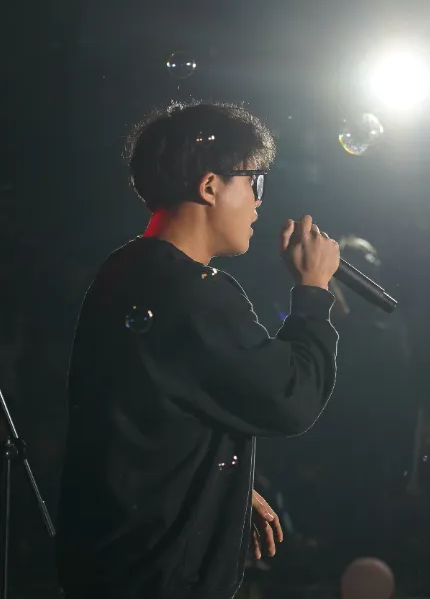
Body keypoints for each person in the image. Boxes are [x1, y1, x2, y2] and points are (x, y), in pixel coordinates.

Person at [56, 102, 340, 599]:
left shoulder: (123, 270)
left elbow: (147, 423)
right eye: (254, 181)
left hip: (111, 563)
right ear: (210, 186)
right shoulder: (196, 293)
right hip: (158, 577)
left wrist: (223, 488)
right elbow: (291, 398)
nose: (259, 202)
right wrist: (313, 291)